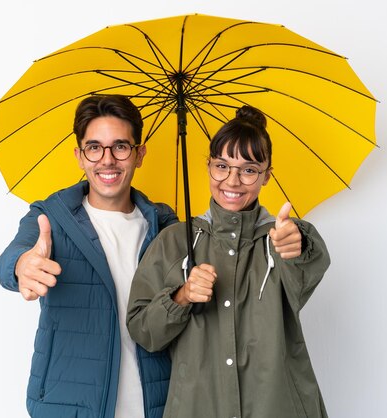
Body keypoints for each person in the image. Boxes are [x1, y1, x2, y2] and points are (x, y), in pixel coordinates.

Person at [127, 105, 331, 418]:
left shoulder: (281, 237)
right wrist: (181, 298)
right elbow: (144, 332)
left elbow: (308, 266)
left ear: (266, 176)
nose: (232, 181)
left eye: (249, 169)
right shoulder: (174, 241)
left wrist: (299, 243)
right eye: (222, 166)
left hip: (277, 407)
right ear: (208, 165)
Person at [0, 95, 178, 418]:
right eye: (94, 147)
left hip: (157, 403)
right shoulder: (51, 217)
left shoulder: (165, 225)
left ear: (139, 154)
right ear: (80, 156)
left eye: (120, 147)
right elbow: (12, 258)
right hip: (70, 405)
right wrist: (22, 266)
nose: (107, 160)